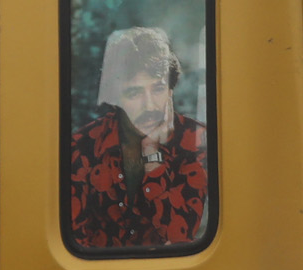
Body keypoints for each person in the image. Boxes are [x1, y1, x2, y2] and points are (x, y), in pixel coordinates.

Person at [65, 25, 210, 250]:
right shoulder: (83, 145)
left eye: (158, 89)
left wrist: (152, 153)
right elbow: (74, 242)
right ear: (116, 96)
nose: (150, 105)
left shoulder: (196, 140)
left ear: (171, 90)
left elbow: (180, 238)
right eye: (134, 93)